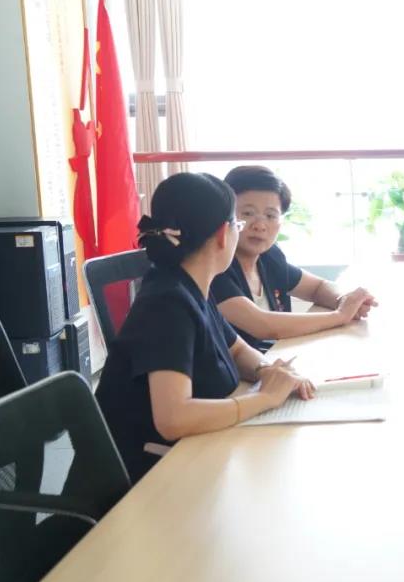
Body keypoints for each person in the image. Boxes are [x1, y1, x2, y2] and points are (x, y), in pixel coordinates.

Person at [95, 173, 317, 483]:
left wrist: (267, 371)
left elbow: (236, 349)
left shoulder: (192, 284)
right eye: (239, 223)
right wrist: (265, 398)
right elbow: (174, 418)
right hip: (144, 479)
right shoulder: (166, 303)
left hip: (189, 455)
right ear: (224, 235)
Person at [211, 165, 377, 352]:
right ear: (226, 216)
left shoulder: (269, 257)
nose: (260, 225)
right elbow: (263, 325)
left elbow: (317, 287)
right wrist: (340, 316)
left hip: (278, 358)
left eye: (270, 215)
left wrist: (344, 300)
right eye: (248, 213)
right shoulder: (215, 266)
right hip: (244, 368)